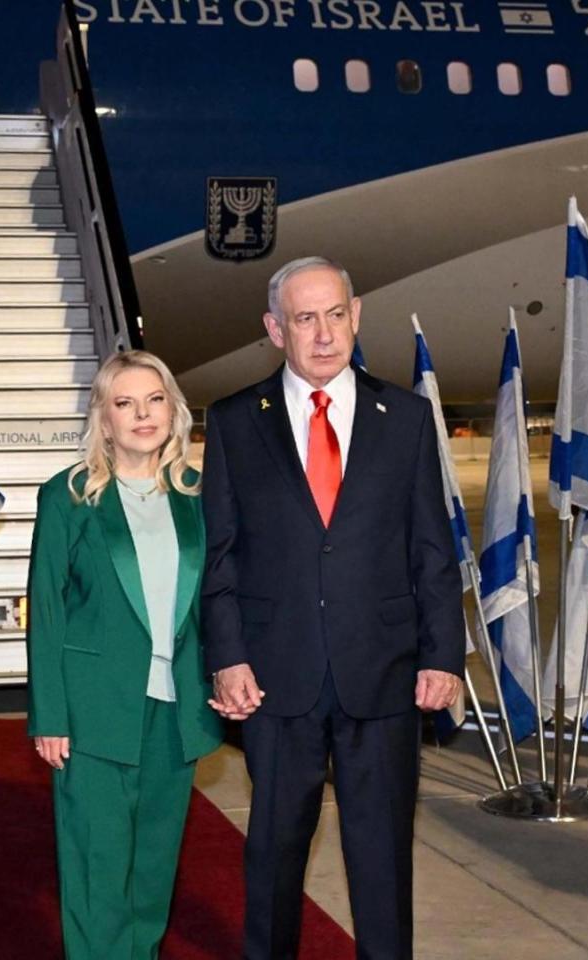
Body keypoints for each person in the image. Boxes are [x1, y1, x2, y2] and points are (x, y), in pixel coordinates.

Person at [200, 257, 465, 960]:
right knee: (275, 854)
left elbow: (432, 551)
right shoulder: (233, 421)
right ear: (275, 330)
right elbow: (219, 554)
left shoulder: (404, 417)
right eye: (305, 318)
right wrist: (226, 656)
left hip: (382, 675)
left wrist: (443, 657)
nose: (324, 334)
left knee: (381, 860)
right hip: (276, 677)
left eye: (336, 314)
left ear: (356, 316)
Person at [27, 350, 224, 959]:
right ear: (104, 420)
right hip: (94, 709)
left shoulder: (199, 494)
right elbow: (46, 609)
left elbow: (217, 599)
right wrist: (50, 715)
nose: (143, 414)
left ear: (173, 410)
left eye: (155, 399)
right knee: (97, 861)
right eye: (125, 403)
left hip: (179, 708)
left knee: (154, 861)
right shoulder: (69, 497)